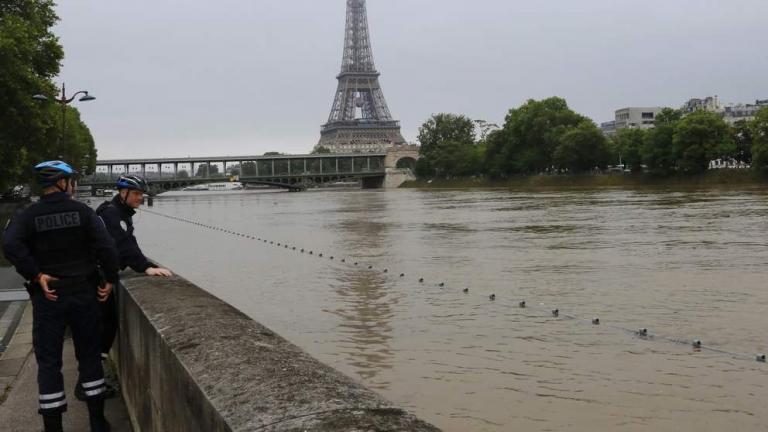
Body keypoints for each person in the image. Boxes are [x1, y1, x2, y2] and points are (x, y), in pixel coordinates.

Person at [2, 161, 119, 432]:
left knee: (49, 362)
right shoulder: (83, 212)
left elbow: (10, 244)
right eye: (71, 181)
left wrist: (36, 274)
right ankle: (98, 422)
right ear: (62, 183)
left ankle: (53, 426)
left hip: (48, 299)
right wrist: (111, 279)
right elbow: (107, 248)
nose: (73, 185)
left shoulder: (28, 215)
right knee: (89, 356)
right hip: (83, 294)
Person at [94, 175, 171, 374]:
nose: (140, 198)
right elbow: (123, 246)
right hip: (98, 276)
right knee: (105, 326)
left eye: (141, 194)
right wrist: (145, 268)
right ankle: (92, 377)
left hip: (101, 273)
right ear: (123, 193)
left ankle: (93, 373)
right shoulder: (112, 215)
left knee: (105, 325)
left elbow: (130, 241)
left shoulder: (119, 213)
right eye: (136, 194)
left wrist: (146, 263)